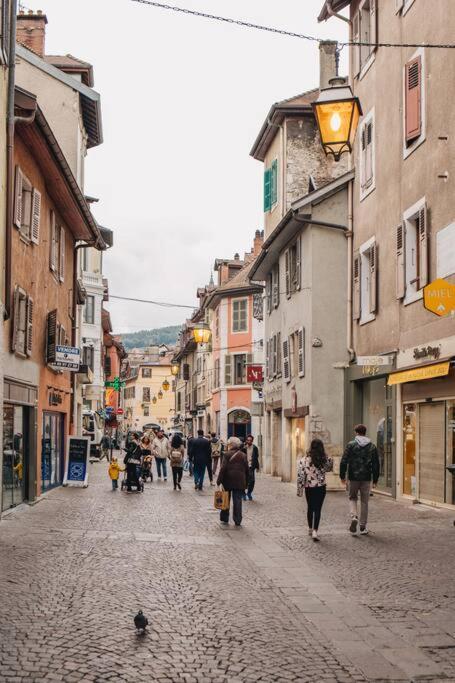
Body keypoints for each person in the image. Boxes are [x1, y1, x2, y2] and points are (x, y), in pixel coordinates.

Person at [340, 424, 380, 536]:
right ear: (365, 432)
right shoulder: (372, 446)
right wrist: (375, 479)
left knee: (352, 498)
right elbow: (376, 464)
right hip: (366, 478)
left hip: (353, 477)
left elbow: (344, 461)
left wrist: (342, 476)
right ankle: (363, 527)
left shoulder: (351, 445)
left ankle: (354, 516)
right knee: (364, 501)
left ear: (356, 432)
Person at [297, 439, 333, 542]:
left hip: (309, 487)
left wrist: (300, 490)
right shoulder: (325, 459)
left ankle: (310, 528)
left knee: (310, 507)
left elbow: (300, 476)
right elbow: (329, 468)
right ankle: (315, 531)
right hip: (321, 487)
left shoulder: (304, 460)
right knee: (318, 509)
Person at [217, 437, 249, 527]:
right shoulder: (243, 455)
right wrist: (247, 483)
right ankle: (238, 520)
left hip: (227, 481)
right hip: (239, 481)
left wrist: (219, 481)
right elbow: (247, 470)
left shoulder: (227, 455)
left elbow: (223, 469)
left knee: (225, 499)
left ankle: (224, 517)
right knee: (238, 501)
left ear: (230, 445)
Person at [243, 435, 260, 501]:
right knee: (244, 480)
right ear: (246, 440)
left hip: (251, 466)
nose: (249, 441)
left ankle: (249, 493)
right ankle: (243, 494)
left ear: (252, 441)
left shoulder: (255, 448)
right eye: (248, 440)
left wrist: (257, 466)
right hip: (244, 466)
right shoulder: (244, 448)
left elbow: (256, 457)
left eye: (250, 440)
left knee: (252, 480)